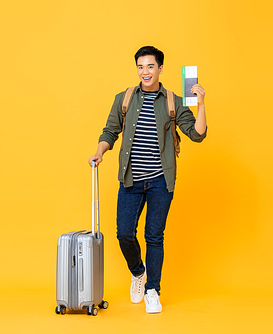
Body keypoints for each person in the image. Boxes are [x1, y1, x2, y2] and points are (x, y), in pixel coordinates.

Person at [88, 46, 207, 313]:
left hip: (160, 182)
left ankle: (153, 290)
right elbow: (110, 130)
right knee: (124, 234)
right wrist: (99, 152)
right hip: (130, 180)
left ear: (160, 69)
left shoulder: (173, 101)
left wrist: (200, 104)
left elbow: (198, 134)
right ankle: (138, 272)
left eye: (150, 67)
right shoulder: (125, 98)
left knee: (154, 236)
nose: (145, 72)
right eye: (140, 67)